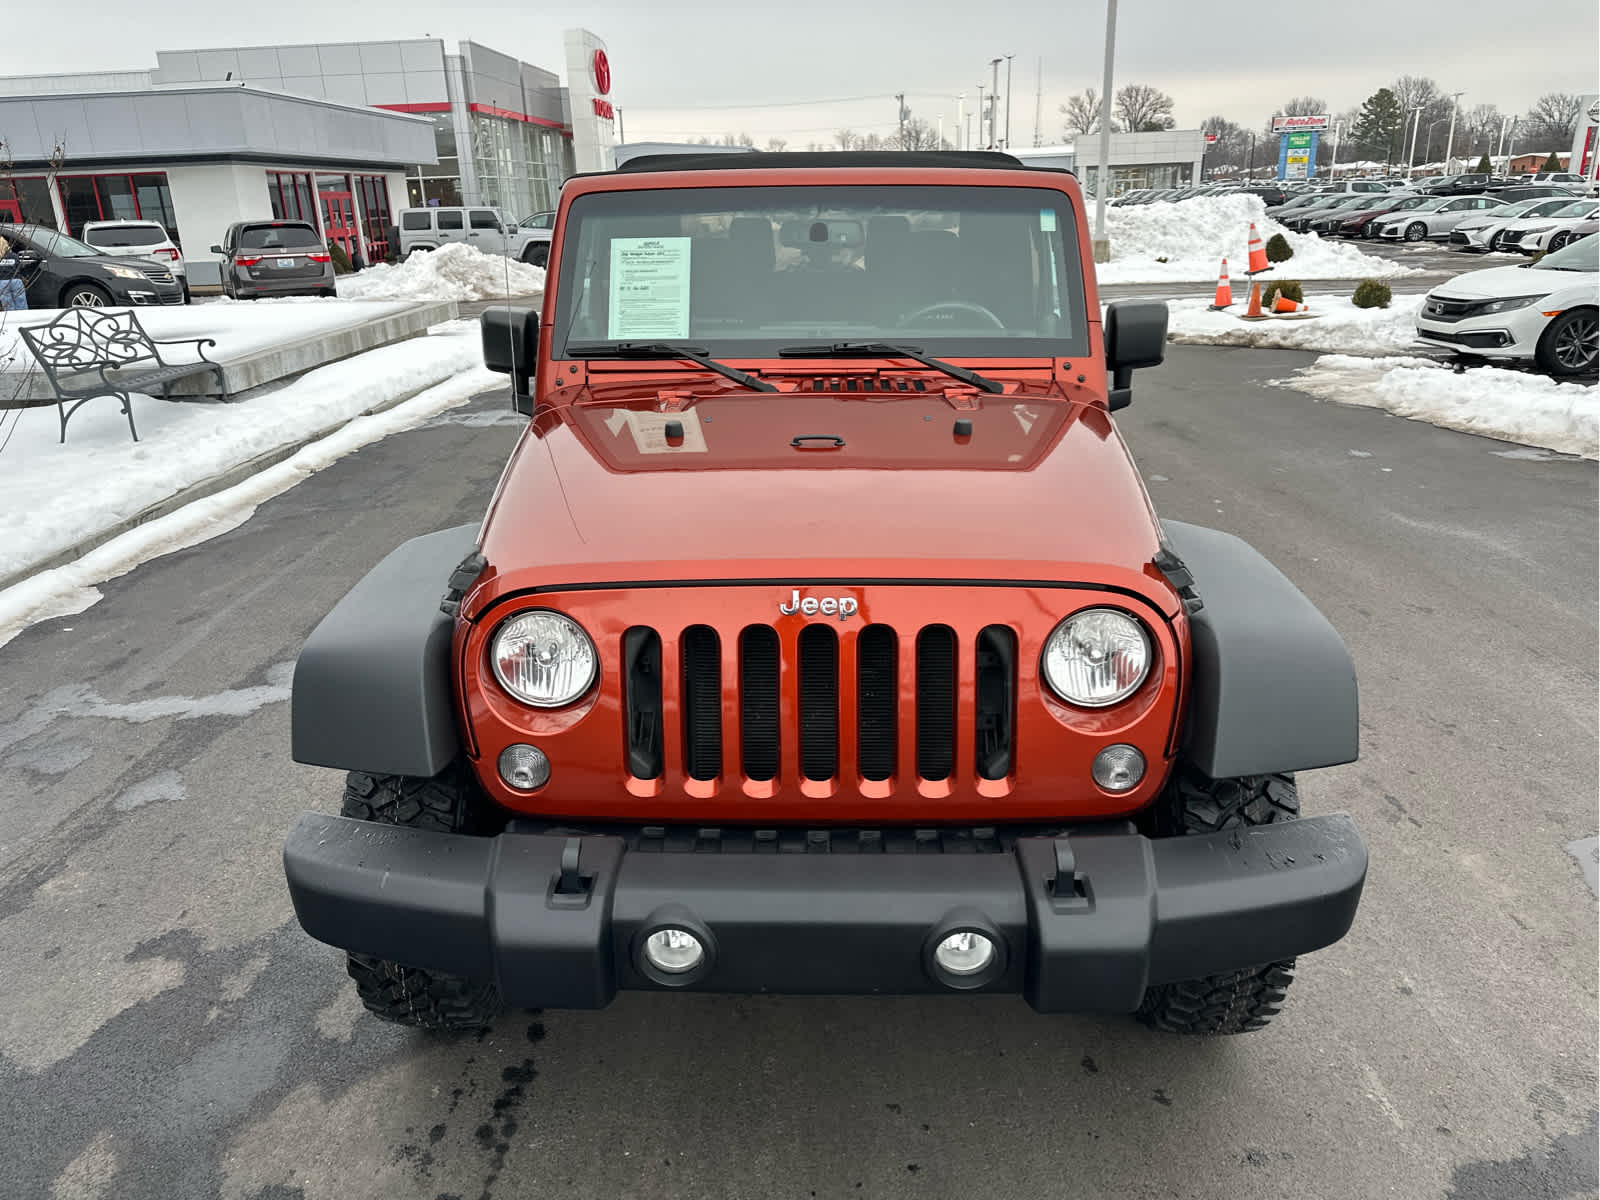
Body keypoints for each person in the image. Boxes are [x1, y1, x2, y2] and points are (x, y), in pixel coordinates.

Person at [0, 235, 28, 311]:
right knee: (22, 306)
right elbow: (20, 268)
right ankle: (24, 321)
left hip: (2, 283)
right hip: (16, 281)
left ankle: (13, 322)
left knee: (8, 308)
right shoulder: (14, 256)